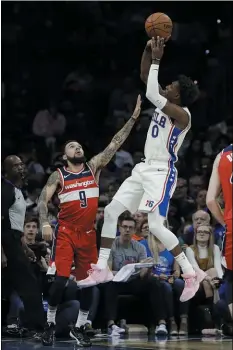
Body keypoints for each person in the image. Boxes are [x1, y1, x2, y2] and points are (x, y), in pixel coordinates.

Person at [80, 37, 204, 302]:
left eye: (170, 86)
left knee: (157, 226)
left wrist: (159, 59)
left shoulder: (183, 115)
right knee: (112, 210)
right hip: (144, 168)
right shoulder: (164, 99)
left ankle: (190, 273)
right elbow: (145, 75)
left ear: (178, 94)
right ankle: (101, 268)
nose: (166, 86)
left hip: (162, 172)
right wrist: (148, 51)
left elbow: (150, 92)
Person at [37, 96, 142, 346]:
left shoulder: (93, 167)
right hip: (65, 232)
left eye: (79, 146)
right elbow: (42, 200)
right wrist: (43, 222)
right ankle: (50, 321)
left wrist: (134, 118)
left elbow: (115, 143)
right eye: (72, 147)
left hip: (87, 233)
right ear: (65, 156)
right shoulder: (59, 175)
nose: (78, 148)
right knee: (61, 280)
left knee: (89, 283)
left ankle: (81, 326)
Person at [1, 156, 52, 345]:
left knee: (8, 285)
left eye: (21, 164)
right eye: (15, 165)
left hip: (14, 240)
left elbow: (15, 224)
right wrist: (1, 251)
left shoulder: (17, 190)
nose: (20, 168)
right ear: (6, 170)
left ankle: (21, 325)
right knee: (29, 284)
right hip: (5, 241)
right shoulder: (5, 188)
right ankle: (37, 328)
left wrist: (25, 247)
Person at [206, 144, 233, 320]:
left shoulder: (222, 155)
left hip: (231, 222)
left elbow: (210, 201)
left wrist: (226, 223)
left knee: (231, 278)